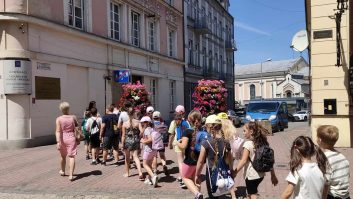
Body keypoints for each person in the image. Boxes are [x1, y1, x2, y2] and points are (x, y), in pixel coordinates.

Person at [234, 121, 278, 199]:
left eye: (244, 131)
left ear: (251, 132)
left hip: (251, 175)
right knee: (250, 193)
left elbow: (243, 161)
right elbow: (269, 161)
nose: (243, 133)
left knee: (253, 194)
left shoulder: (247, 144)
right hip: (260, 175)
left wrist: (235, 172)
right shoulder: (263, 143)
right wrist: (273, 175)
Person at [195, 114, 235, 199]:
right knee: (221, 193)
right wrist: (231, 170)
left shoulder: (206, 142)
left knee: (212, 194)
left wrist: (197, 174)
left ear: (208, 126)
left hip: (211, 172)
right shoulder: (226, 142)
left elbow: (201, 161)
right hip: (224, 172)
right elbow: (230, 158)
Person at [316, 125, 350, 199]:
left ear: (320, 140)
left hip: (332, 196)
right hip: (345, 196)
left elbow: (326, 183)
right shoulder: (342, 157)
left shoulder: (325, 159)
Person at [177, 110, 203, 199]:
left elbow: (183, 146)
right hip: (200, 160)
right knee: (196, 178)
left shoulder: (187, 132)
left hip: (189, 160)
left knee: (185, 177)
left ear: (189, 120)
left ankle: (197, 194)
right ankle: (198, 194)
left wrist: (177, 143)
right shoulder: (202, 130)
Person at [55, 102, 79, 181]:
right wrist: (77, 138)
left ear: (61, 109)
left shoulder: (59, 119)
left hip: (62, 138)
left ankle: (62, 171)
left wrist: (58, 141)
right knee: (71, 157)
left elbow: (58, 131)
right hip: (71, 138)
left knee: (63, 156)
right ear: (68, 108)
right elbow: (77, 128)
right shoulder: (73, 117)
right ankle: (71, 175)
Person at [168, 105, 190, 188]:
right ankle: (183, 176)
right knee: (185, 161)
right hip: (186, 143)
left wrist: (169, 144)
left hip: (178, 143)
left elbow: (171, 134)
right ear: (184, 113)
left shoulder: (174, 122)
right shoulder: (187, 122)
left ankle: (183, 179)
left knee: (180, 162)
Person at [121, 108, 144, 180]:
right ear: (134, 113)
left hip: (127, 141)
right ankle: (140, 172)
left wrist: (122, 144)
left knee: (127, 158)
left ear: (127, 114)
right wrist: (139, 136)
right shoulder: (138, 122)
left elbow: (123, 135)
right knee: (136, 157)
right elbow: (142, 131)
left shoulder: (124, 124)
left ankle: (127, 173)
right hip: (136, 140)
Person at [140, 116, 158, 187]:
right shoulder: (152, 129)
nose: (142, 124)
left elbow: (150, 139)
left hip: (148, 149)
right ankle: (149, 179)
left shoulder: (147, 129)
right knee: (149, 164)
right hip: (154, 150)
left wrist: (143, 141)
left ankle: (153, 176)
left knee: (144, 164)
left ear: (146, 123)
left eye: (143, 123)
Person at [152, 111, 169, 176]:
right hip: (161, 142)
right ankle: (164, 165)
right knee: (162, 155)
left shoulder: (152, 124)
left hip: (154, 142)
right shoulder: (163, 124)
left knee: (154, 156)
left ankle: (155, 170)